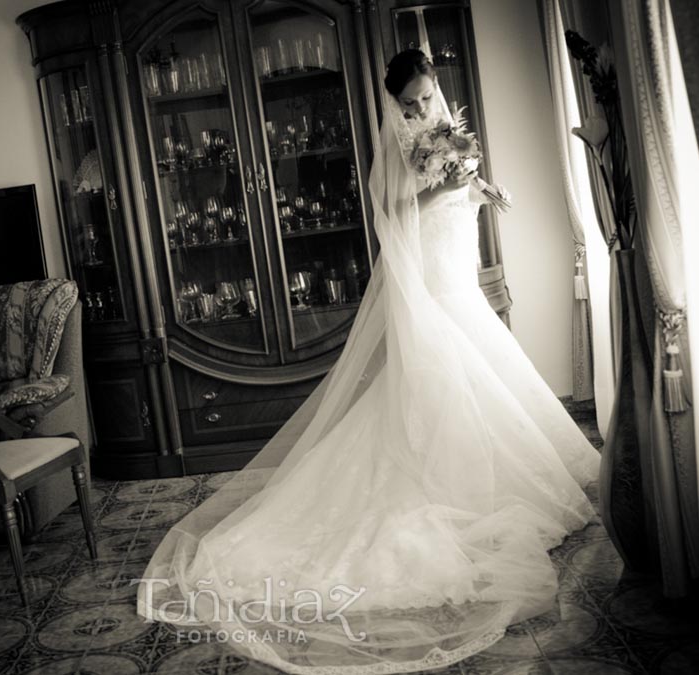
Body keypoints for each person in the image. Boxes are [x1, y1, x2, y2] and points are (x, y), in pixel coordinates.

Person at [136, 49, 600, 674]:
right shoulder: (397, 143)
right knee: (444, 376)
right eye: (409, 103)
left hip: (457, 269)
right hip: (430, 278)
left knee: (481, 369)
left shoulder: (445, 128)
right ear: (393, 101)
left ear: (437, 88)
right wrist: (450, 186)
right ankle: (445, 482)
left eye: (426, 98)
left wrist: (482, 189)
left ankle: (492, 475)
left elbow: (455, 186)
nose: (419, 109)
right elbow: (398, 217)